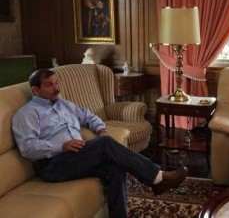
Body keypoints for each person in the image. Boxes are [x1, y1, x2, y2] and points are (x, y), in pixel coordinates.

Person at [12, 69, 188, 218]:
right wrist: (61, 146)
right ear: (35, 90)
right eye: (49, 85)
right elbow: (27, 147)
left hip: (76, 156)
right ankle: (157, 178)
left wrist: (101, 129)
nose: (56, 88)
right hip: (53, 164)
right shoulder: (27, 113)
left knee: (114, 167)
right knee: (105, 144)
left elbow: (88, 116)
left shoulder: (64, 105)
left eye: (57, 83)